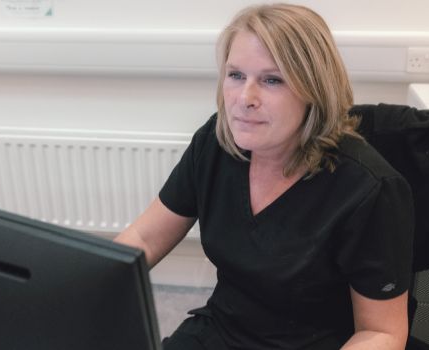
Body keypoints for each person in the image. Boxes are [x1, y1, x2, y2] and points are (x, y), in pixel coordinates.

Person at [114, 3, 413, 349]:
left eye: (272, 80)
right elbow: (145, 238)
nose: (244, 98)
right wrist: (82, 284)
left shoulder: (368, 190)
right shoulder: (216, 144)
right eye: (236, 75)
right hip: (220, 332)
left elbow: (382, 332)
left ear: (313, 90)